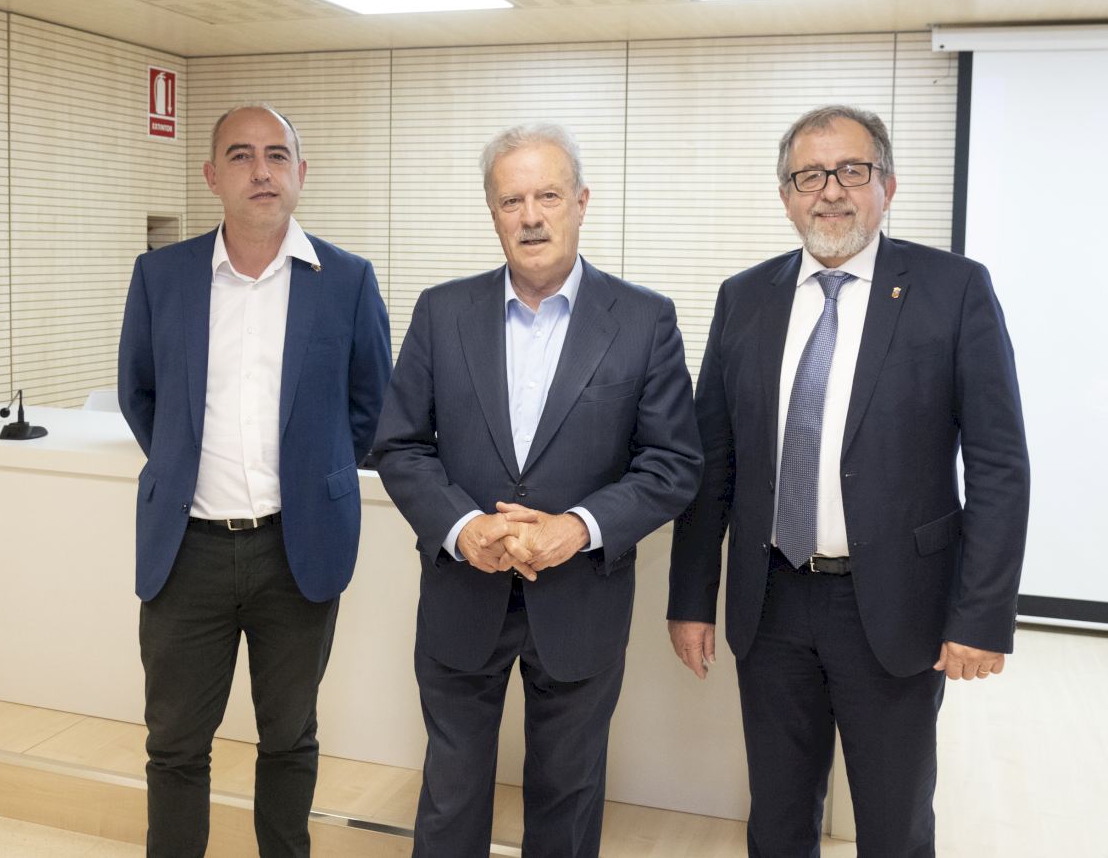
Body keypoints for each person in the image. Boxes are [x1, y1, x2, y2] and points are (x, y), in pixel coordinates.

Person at [668, 104, 1030, 856]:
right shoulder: (745, 297)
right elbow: (714, 464)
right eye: (809, 176)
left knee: (894, 826)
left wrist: (981, 615)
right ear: (786, 196)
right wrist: (691, 599)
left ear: (887, 186)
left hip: (896, 607)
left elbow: (998, 464)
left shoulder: (954, 288)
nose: (830, 190)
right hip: (771, 603)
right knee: (777, 819)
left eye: (851, 171)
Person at [373, 122, 701, 857]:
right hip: (463, 595)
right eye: (511, 200)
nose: (530, 217)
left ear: (581, 202)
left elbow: (672, 463)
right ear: (492, 212)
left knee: (567, 801)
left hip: (581, 599)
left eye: (548, 196)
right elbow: (400, 444)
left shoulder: (643, 320)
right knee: (451, 798)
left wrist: (577, 526)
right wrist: (463, 527)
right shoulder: (441, 312)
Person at [118, 103, 391, 857]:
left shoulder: (347, 280)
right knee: (175, 744)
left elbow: (371, 407)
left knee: (290, 738)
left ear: (301, 173)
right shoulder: (161, 276)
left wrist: (313, 477)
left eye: (277, 155)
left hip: (296, 549)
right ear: (212, 176)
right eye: (241, 155)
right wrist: (182, 467)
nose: (261, 171)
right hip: (186, 551)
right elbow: (140, 395)